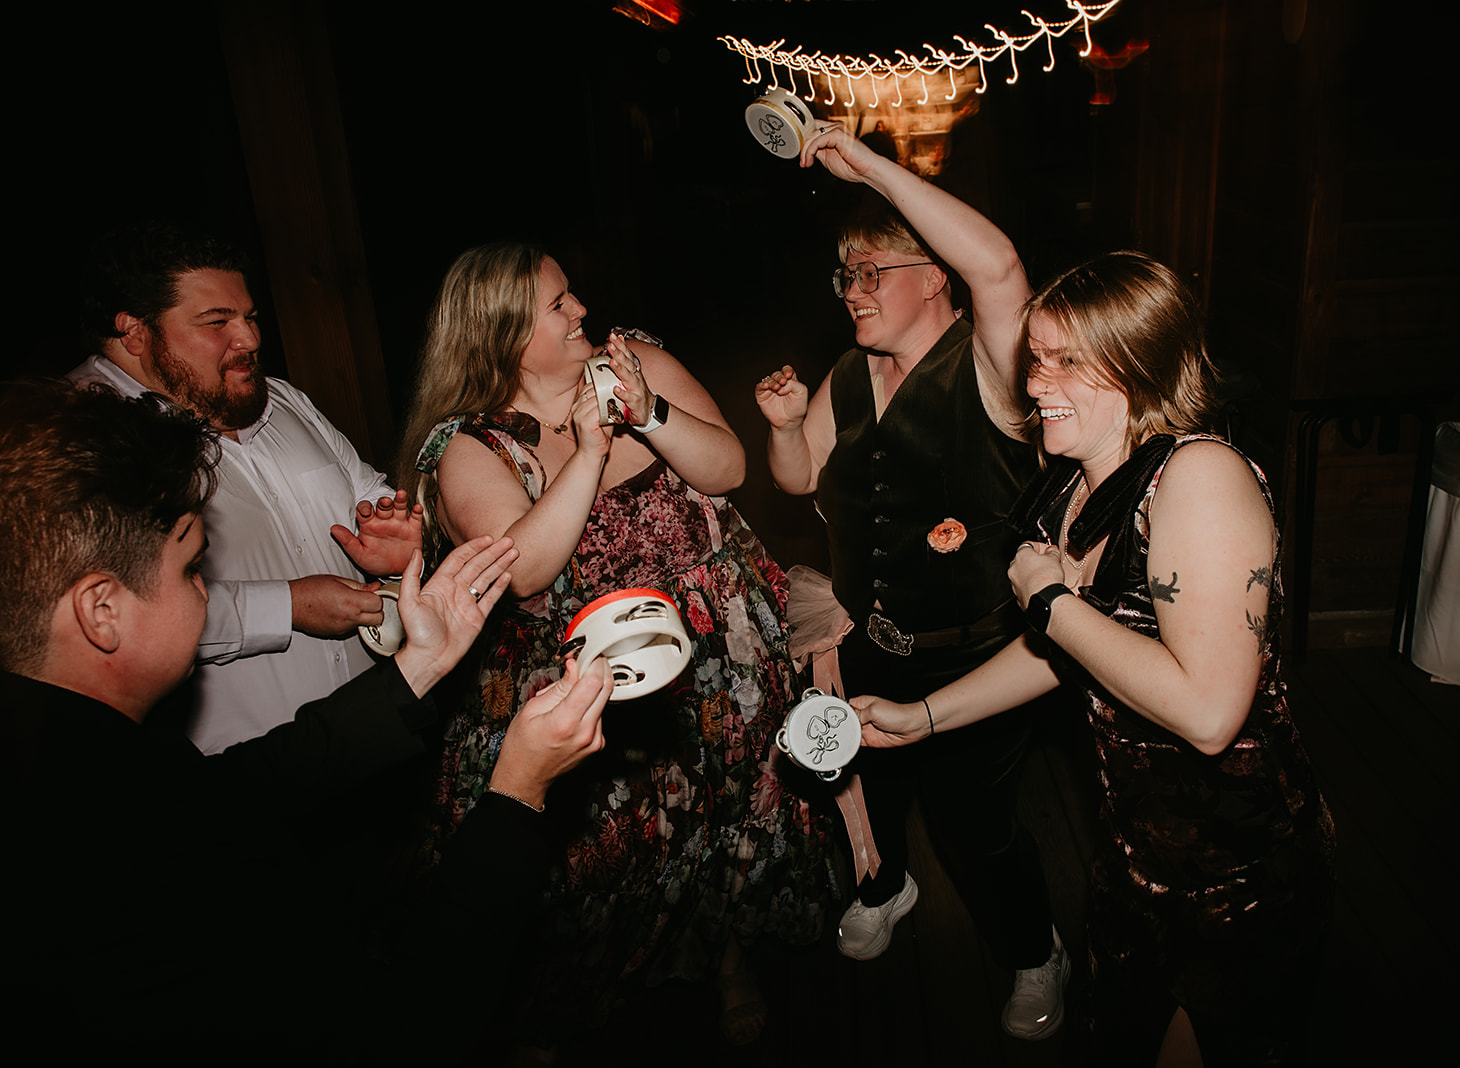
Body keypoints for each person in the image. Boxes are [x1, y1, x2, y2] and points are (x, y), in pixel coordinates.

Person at [0, 379, 611, 1064]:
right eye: (191, 568)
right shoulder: (116, 879)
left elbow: (239, 793)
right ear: (101, 611)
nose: (207, 590)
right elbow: (405, 1021)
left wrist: (419, 667)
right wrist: (517, 796)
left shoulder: (76, 758)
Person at [852, 252, 1337, 1065]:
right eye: (1037, 357)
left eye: (1067, 361)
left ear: (1140, 364)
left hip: (1238, 865)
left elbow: (1211, 714)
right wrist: (924, 717)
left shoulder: (1199, 478)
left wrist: (1051, 601)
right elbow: (1070, 655)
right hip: (1132, 854)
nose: (1037, 382)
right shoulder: (1073, 483)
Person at [394, 243, 840, 1048]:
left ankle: (729, 956)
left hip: (722, 643)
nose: (581, 314)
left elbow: (731, 466)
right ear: (501, 335)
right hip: (595, 677)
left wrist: (648, 413)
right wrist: (593, 447)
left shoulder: (634, 359)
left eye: (573, 297)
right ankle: (565, 1014)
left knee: (735, 815)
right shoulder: (472, 445)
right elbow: (525, 570)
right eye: (558, 307)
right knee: (600, 864)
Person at [754, 125, 1068, 1039]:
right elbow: (799, 477)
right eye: (843, 277)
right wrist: (781, 427)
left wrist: (875, 172)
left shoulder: (995, 369)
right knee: (867, 785)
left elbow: (1003, 267)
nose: (852, 291)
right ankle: (886, 887)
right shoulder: (848, 375)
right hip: (869, 639)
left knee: (978, 826)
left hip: (979, 653)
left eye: (871, 270)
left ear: (934, 276)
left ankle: (1032, 949)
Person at [69, 223, 424, 754]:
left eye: (251, 317)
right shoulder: (75, 436)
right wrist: (287, 607)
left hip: (368, 739)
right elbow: (118, 616)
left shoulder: (279, 399)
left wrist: (393, 538)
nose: (251, 340)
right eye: (218, 322)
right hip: (240, 783)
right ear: (135, 332)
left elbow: (366, 491)